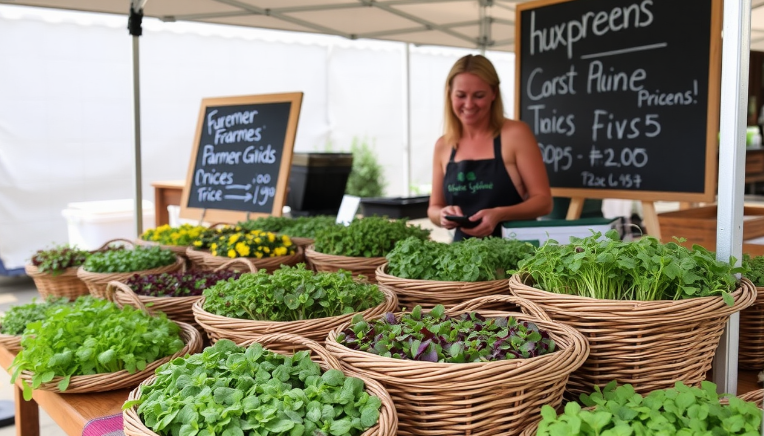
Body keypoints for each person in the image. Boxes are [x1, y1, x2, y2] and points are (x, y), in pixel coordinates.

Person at [427, 54, 553, 241]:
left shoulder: (516, 134)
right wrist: (442, 215)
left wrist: (500, 214)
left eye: (479, 96)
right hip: (463, 258)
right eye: (461, 95)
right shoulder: (443, 145)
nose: (469, 104)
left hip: (517, 254)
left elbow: (543, 202)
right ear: (449, 94)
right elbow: (433, 208)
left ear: (494, 93)